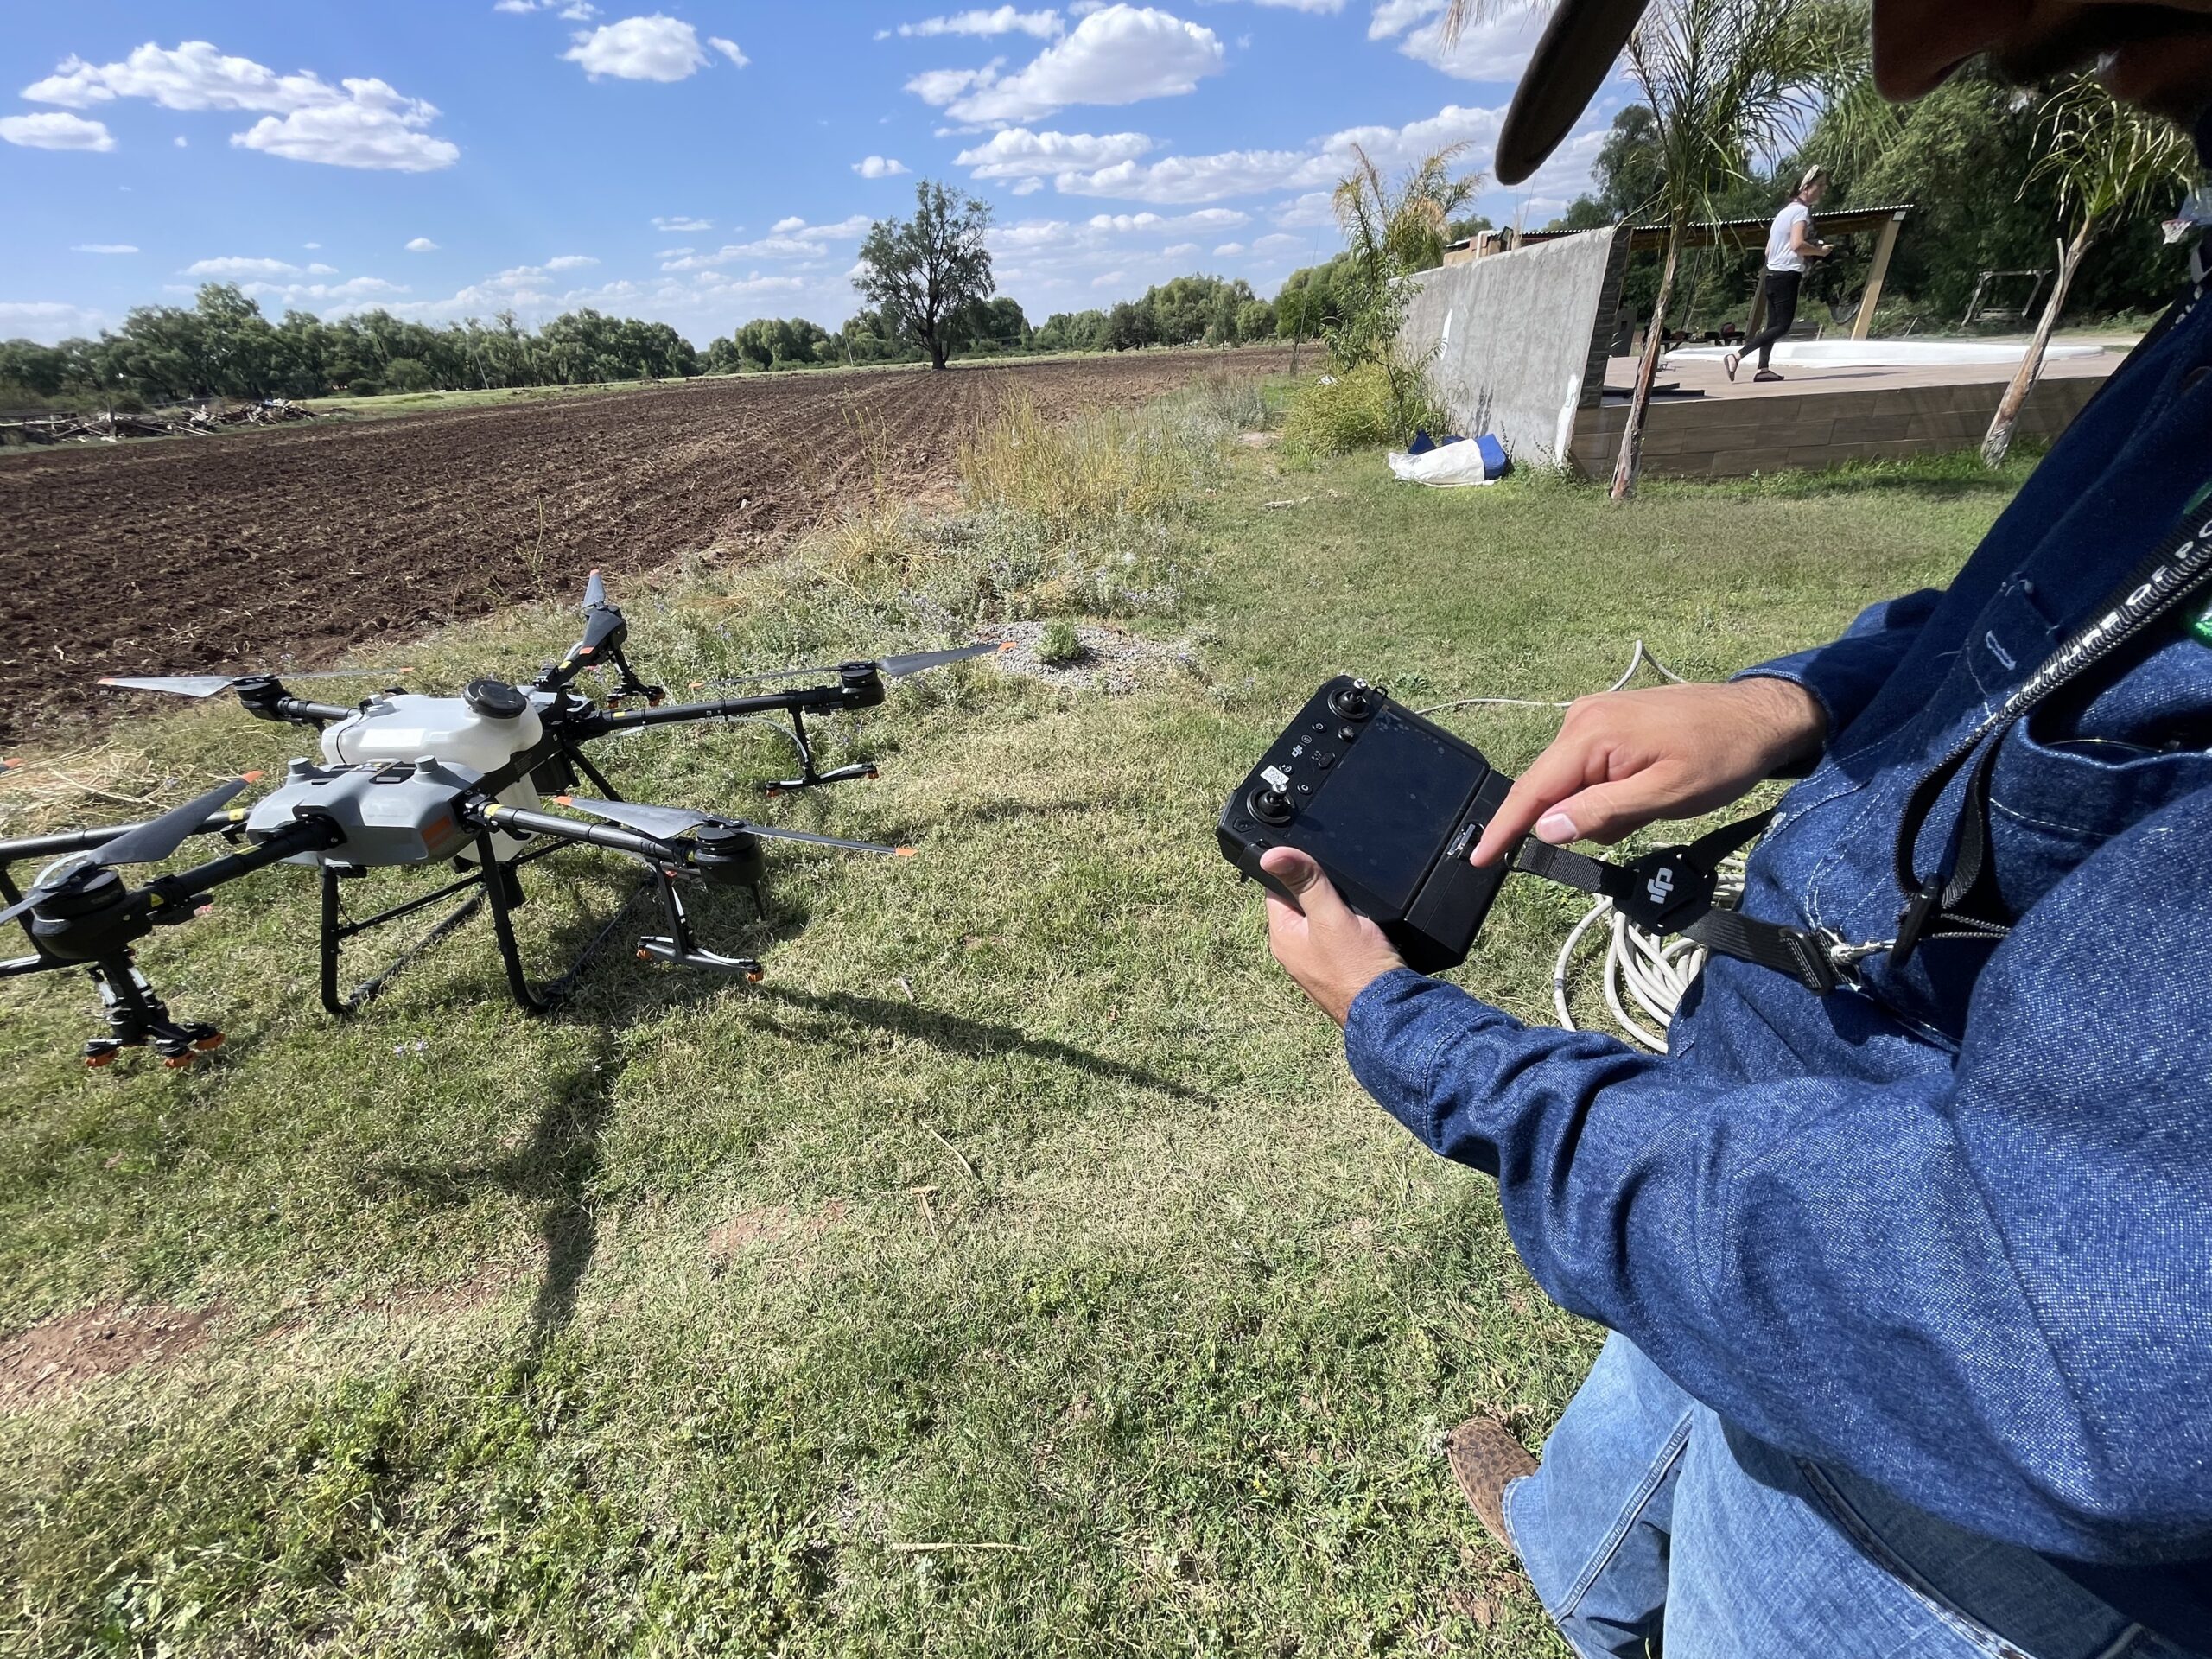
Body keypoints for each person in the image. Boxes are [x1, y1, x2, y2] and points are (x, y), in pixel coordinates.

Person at [1258, 2, 2212, 1654]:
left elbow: (2066, 1343)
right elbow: (2076, 620)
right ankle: (1580, 1568)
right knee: (1634, 1445)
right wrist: (1797, 699)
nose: (1909, 62)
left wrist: (1420, 1039)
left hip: (1939, 1515)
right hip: (1761, 1146)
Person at [1724, 167, 1833, 383]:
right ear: (1806, 187)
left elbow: (1768, 250)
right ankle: (1737, 356)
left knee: (1773, 325)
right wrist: (1819, 251)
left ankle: (1763, 369)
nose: (1823, 190)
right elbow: (1797, 244)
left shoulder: (1783, 213)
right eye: (1820, 185)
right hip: (1786, 275)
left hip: (1771, 275)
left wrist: (1807, 246)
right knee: (1782, 326)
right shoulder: (1801, 212)